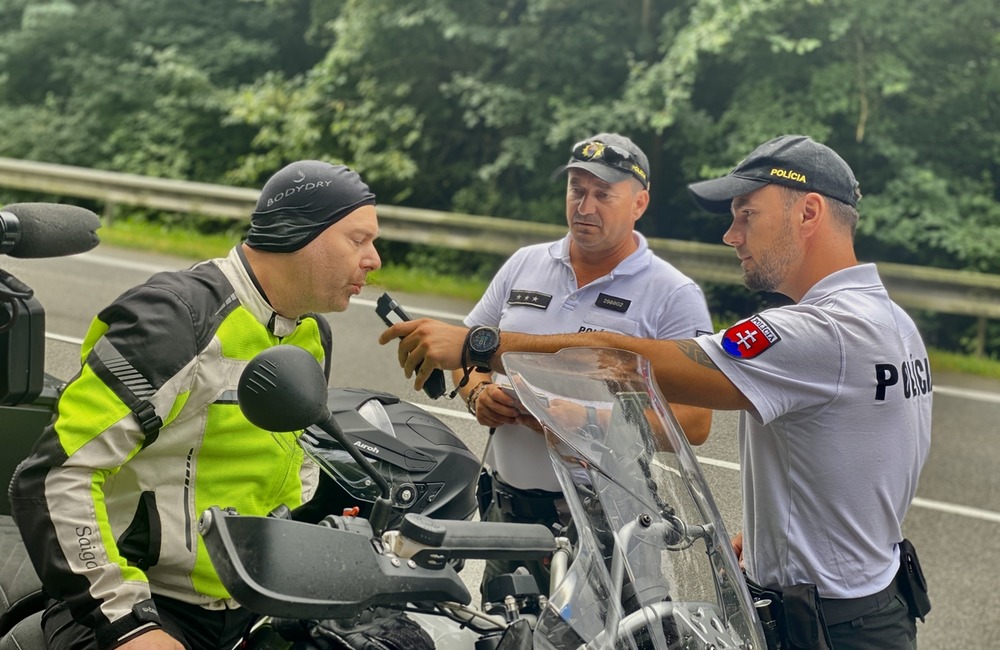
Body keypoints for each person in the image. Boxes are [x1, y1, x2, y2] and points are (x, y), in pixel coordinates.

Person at [380, 135, 931, 649]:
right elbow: (865, 466)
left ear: (808, 212)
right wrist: (773, 545)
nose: (731, 235)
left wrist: (483, 345)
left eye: (746, 215)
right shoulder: (891, 321)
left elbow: (642, 364)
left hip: (823, 623)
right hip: (862, 603)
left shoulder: (817, 332)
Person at [9, 161, 381, 650]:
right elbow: (57, 477)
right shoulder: (175, 320)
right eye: (358, 240)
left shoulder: (309, 332)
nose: (373, 260)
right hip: (138, 601)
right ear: (299, 232)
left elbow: (284, 472)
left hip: (249, 600)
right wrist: (127, 623)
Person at [453, 133, 713, 597]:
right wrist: (476, 393)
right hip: (509, 510)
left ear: (639, 203)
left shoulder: (672, 294)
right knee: (507, 634)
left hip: (606, 519)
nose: (584, 206)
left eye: (603, 194)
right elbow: (467, 351)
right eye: (577, 190)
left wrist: (581, 422)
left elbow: (693, 423)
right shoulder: (524, 264)